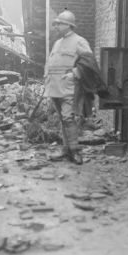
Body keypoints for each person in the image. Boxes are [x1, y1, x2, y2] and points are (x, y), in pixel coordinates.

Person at [44, 10, 94, 165]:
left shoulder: (79, 41)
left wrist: (75, 73)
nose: (56, 26)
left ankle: (75, 151)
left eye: (59, 23)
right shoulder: (57, 43)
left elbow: (89, 63)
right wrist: (46, 77)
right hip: (54, 86)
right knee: (62, 119)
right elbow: (50, 62)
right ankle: (66, 150)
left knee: (68, 118)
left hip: (69, 87)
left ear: (69, 25)